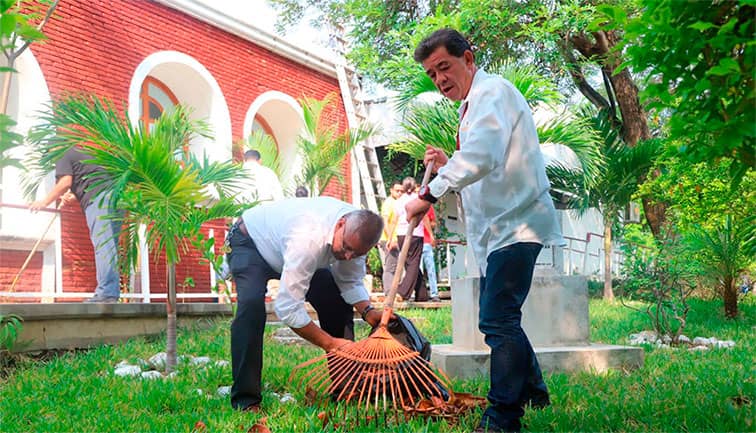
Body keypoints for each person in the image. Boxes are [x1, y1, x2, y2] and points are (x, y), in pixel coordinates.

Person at [405, 29, 564, 433]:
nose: (440, 79)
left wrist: (428, 192)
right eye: (432, 74)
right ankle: (534, 390)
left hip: (518, 224)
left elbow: (483, 156)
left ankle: (503, 418)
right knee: (500, 316)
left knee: (497, 319)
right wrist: (447, 162)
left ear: (469, 59)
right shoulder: (474, 104)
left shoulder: (492, 93)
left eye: (445, 67)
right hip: (501, 230)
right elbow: (481, 158)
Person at [225, 196, 385, 412]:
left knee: (335, 302)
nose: (348, 256)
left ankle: (346, 388)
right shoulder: (308, 238)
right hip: (251, 243)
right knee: (251, 308)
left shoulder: (358, 234)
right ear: (340, 225)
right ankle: (246, 400)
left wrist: (368, 311)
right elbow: (288, 308)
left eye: (356, 253)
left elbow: (348, 280)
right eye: (346, 248)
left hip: (289, 250)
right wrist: (329, 343)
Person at [29, 147, 123, 303]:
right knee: (109, 246)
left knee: (103, 246)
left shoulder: (61, 153)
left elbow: (65, 182)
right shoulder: (83, 153)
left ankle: (106, 294)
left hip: (99, 199)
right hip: (116, 197)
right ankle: (110, 293)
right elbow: (89, 179)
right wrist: (74, 195)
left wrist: (44, 202)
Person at [387, 177, 426, 302]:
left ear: (403, 188)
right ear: (414, 187)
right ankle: (403, 292)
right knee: (413, 264)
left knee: (410, 264)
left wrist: (390, 237)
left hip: (401, 235)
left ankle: (422, 294)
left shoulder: (399, 201)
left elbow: (394, 221)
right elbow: (424, 217)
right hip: (416, 234)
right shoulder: (419, 199)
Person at [379, 181, 404, 293]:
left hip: (395, 238)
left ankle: (392, 290)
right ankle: (389, 291)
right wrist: (390, 239)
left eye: (401, 191)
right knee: (390, 267)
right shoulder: (389, 203)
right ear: (391, 191)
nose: (399, 193)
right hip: (389, 239)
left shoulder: (398, 203)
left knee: (396, 267)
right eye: (397, 191)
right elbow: (384, 221)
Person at [421, 205, 440, 302]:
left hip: (427, 241)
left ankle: (434, 293)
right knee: (417, 270)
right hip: (416, 240)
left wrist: (427, 222)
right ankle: (419, 293)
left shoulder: (428, 206)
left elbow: (434, 223)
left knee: (431, 269)